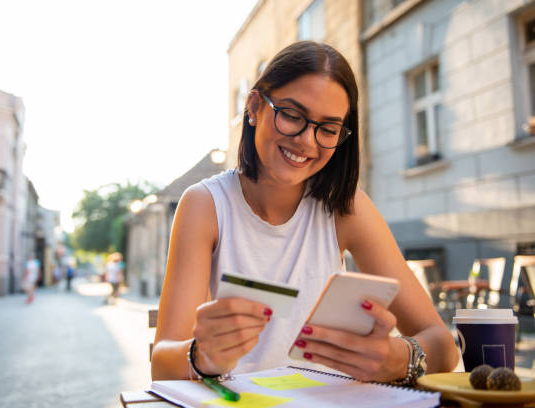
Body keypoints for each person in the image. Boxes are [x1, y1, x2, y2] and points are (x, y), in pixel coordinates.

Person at [151, 41, 459, 383]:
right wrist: (200, 354)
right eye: (293, 116)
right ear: (254, 107)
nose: (307, 141)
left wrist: (395, 359)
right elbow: (163, 363)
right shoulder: (205, 204)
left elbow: (444, 346)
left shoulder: (345, 207)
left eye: (327, 129)